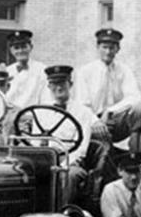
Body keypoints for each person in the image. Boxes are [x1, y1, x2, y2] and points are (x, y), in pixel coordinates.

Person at [35, 65, 106, 201]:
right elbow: (33, 142)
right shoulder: (39, 111)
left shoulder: (83, 112)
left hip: (70, 161)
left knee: (68, 175)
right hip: (45, 160)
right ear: (49, 86)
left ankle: (62, 214)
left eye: (62, 83)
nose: (59, 88)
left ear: (70, 84)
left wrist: (62, 166)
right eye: (54, 84)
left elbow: (81, 148)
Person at [76, 27, 141, 153]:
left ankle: (135, 159)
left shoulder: (124, 70)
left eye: (112, 48)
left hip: (115, 120)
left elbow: (134, 97)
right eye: (104, 47)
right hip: (93, 123)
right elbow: (82, 105)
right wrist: (95, 121)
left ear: (118, 49)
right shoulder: (85, 72)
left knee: (139, 109)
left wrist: (110, 111)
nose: (108, 52)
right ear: (98, 47)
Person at [3, 29, 49, 110]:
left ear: (31, 47)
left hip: (33, 117)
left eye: (24, 47)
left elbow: (46, 100)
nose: (20, 51)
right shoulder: (7, 72)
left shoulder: (42, 70)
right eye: (16, 48)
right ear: (11, 50)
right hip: (10, 118)